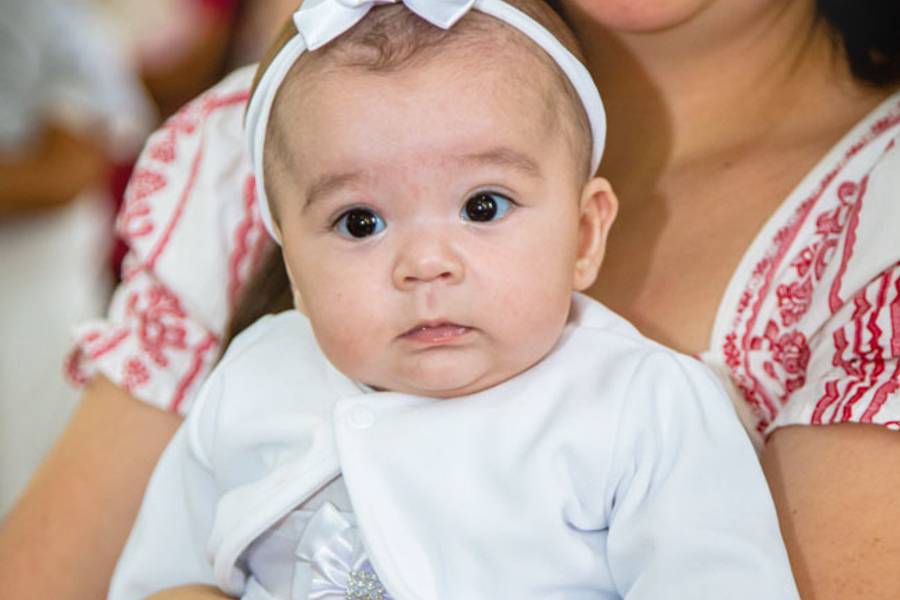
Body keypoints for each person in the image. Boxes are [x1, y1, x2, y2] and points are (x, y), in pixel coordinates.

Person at [0, 0, 897, 598]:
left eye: (484, 208)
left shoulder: (644, 406)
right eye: (359, 223)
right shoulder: (256, 364)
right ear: (290, 250)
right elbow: (151, 570)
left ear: (587, 230)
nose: (425, 264)